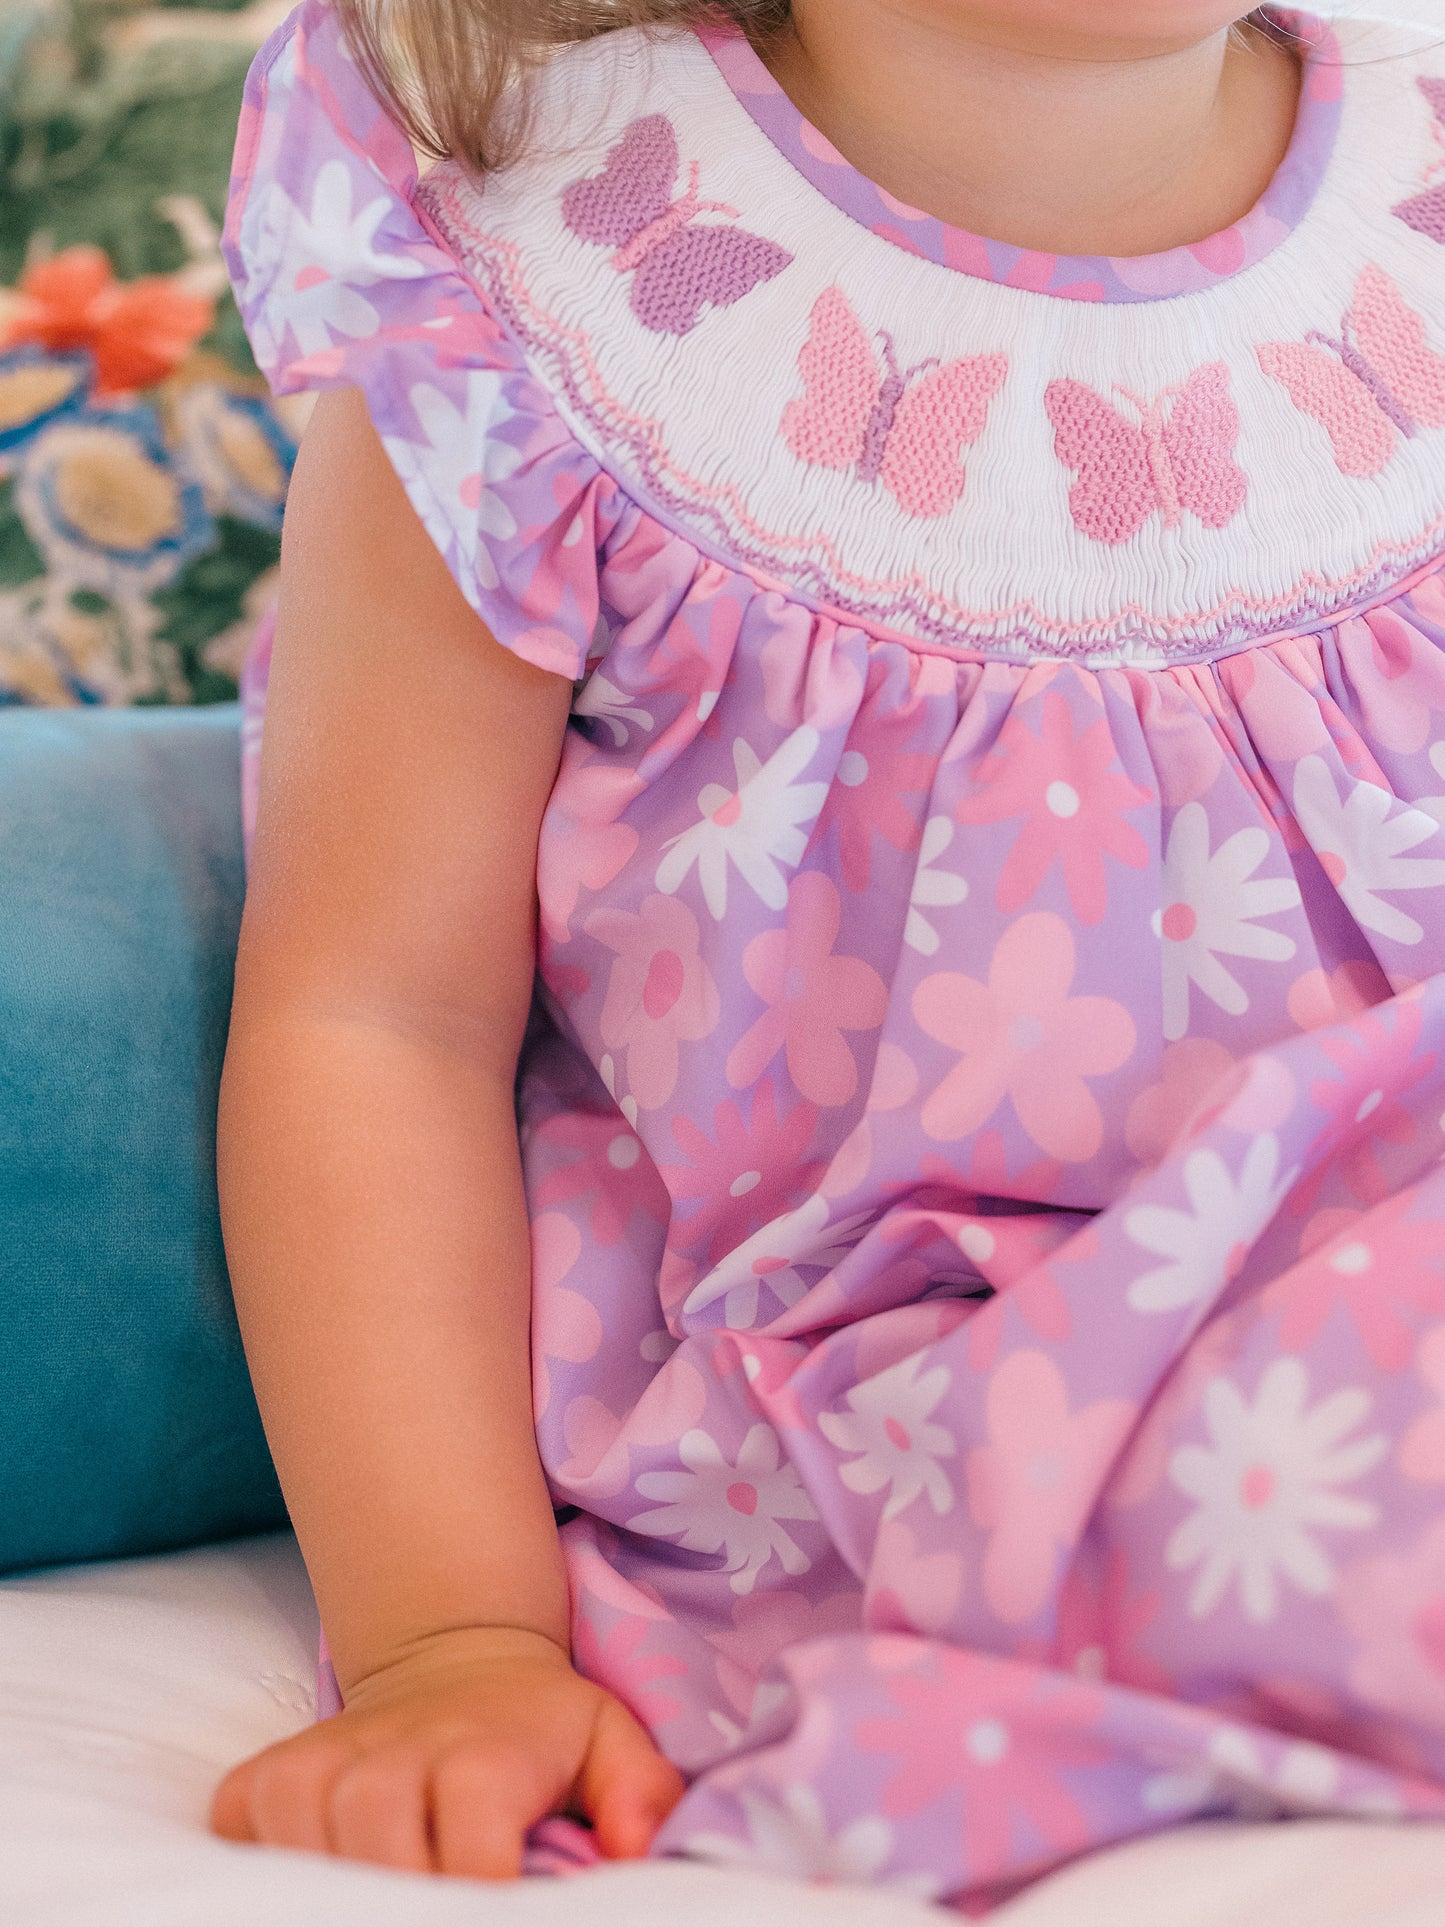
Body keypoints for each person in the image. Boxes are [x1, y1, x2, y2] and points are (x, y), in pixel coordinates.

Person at [213, 0, 1445, 1903]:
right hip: (954, 1387)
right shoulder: (552, 274)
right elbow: (377, 1017)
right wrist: (450, 1643)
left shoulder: (1418, 159)